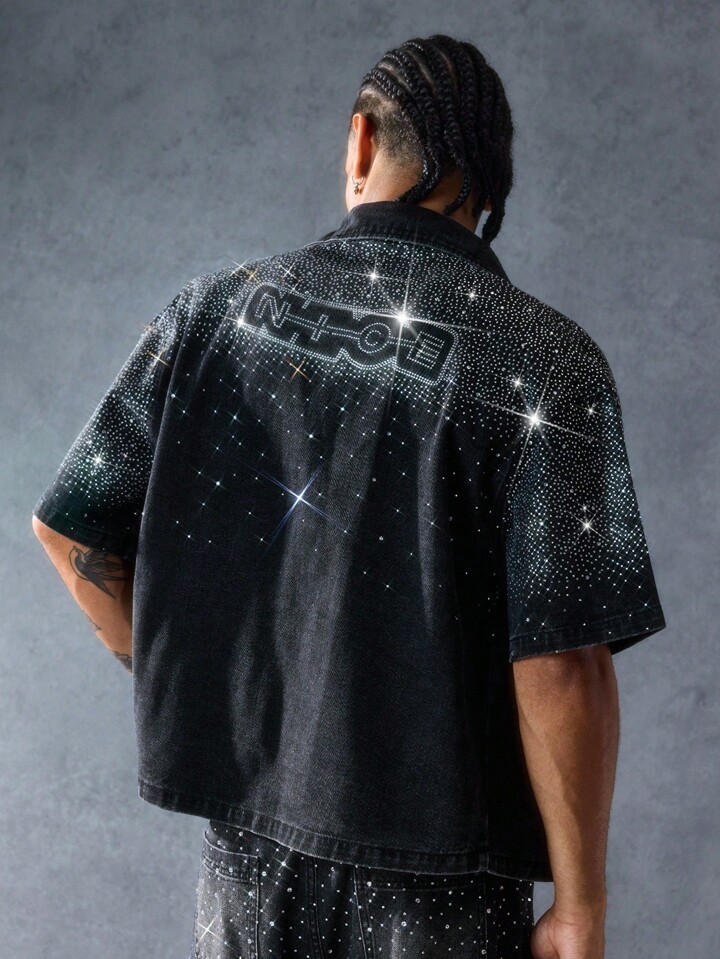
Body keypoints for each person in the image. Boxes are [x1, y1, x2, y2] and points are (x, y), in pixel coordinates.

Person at [32, 33, 667, 959]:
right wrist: (581, 905)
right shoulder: (543, 363)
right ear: (490, 189)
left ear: (362, 139)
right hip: (444, 884)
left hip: (249, 859)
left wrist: (221, 690)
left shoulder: (213, 311)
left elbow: (71, 531)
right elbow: (563, 661)